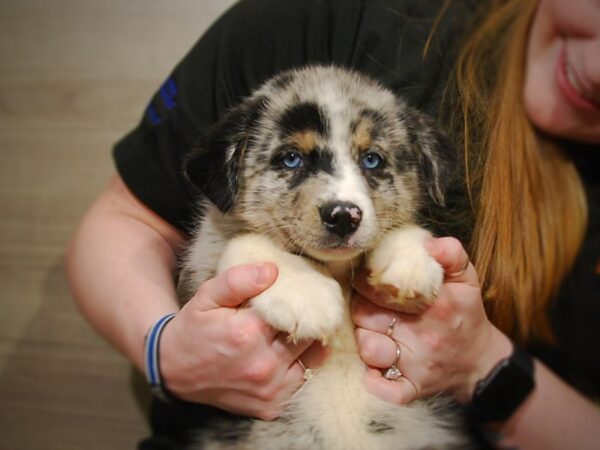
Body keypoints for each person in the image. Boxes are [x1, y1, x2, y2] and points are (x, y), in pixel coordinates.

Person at [65, 0, 600, 448]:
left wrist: (484, 365)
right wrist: (165, 352)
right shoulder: (344, 16)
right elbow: (129, 221)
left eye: (371, 162)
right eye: (294, 160)